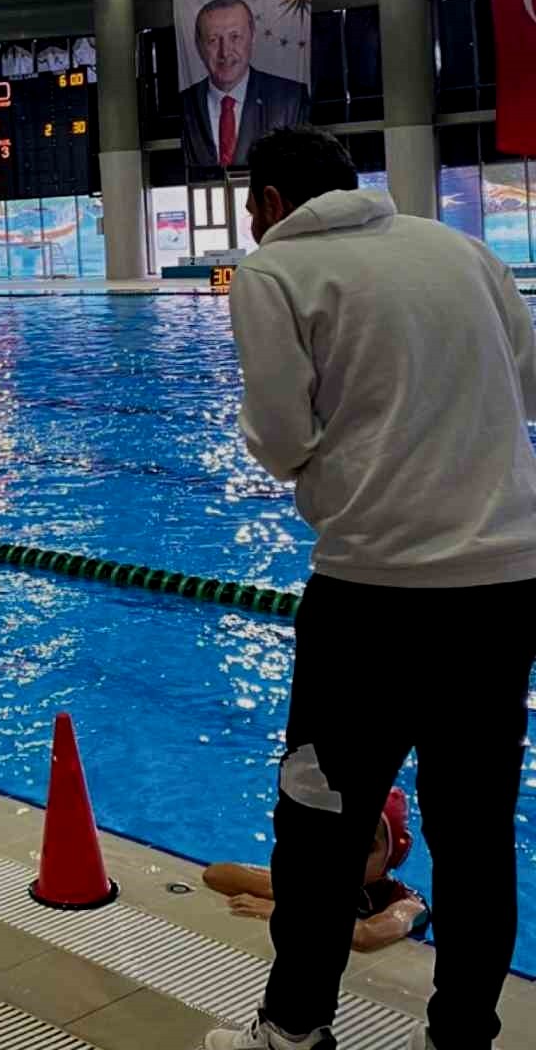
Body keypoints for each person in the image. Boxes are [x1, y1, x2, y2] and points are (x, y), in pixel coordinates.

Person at [206, 127, 536, 1050]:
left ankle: (296, 1030)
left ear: (271, 203)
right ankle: (461, 1035)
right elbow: (533, 388)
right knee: (473, 832)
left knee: (319, 824)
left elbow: (277, 440)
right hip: (506, 589)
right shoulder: (463, 249)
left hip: (374, 594)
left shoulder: (273, 272)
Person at [204, 789, 428, 955]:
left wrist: (289, 912)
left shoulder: (407, 904)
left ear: (395, 854)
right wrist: (285, 890)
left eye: (366, 848)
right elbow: (217, 874)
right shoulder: (318, 879)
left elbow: (366, 936)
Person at [180, 0, 310, 170]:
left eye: (235, 37)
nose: (224, 52)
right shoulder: (183, 105)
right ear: (198, 45)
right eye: (212, 40)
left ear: (252, 37)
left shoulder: (290, 99)